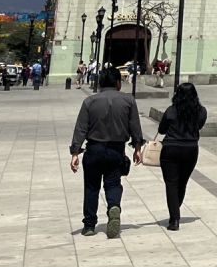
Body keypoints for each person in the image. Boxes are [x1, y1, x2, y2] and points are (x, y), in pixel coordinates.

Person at [68, 66, 145, 238]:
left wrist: (75, 153)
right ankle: (113, 206)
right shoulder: (128, 101)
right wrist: (137, 148)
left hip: (94, 149)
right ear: (118, 83)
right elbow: (135, 127)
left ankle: (89, 225)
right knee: (113, 183)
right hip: (116, 150)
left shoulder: (89, 102)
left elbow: (81, 129)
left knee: (91, 187)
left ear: (100, 83)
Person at [156, 82, 207, 231]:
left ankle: (174, 219)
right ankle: (175, 210)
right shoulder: (201, 111)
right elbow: (199, 126)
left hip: (170, 149)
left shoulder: (171, 111)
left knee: (171, 183)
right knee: (182, 182)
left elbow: (162, 129)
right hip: (190, 149)